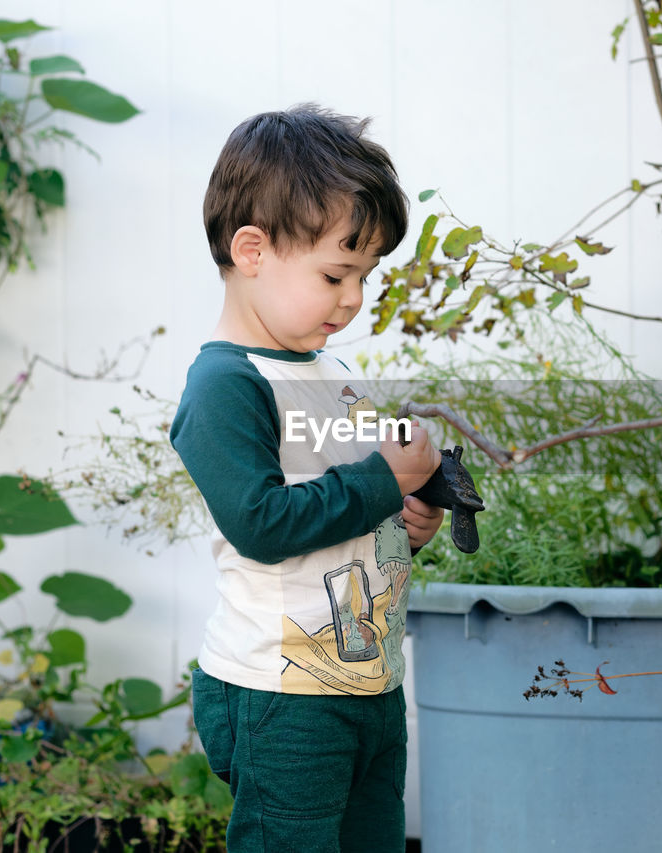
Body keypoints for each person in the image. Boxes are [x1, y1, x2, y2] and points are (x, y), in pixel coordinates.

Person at [169, 104, 444, 853]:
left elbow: (345, 509)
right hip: (280, 695)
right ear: (252, 250)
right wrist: (384, 483)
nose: (354, 297)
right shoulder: (227, 384)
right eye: (336, 272)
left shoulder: (335, 374)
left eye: (365, 274)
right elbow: (263, 522)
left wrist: (405, 526)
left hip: (367, 683)